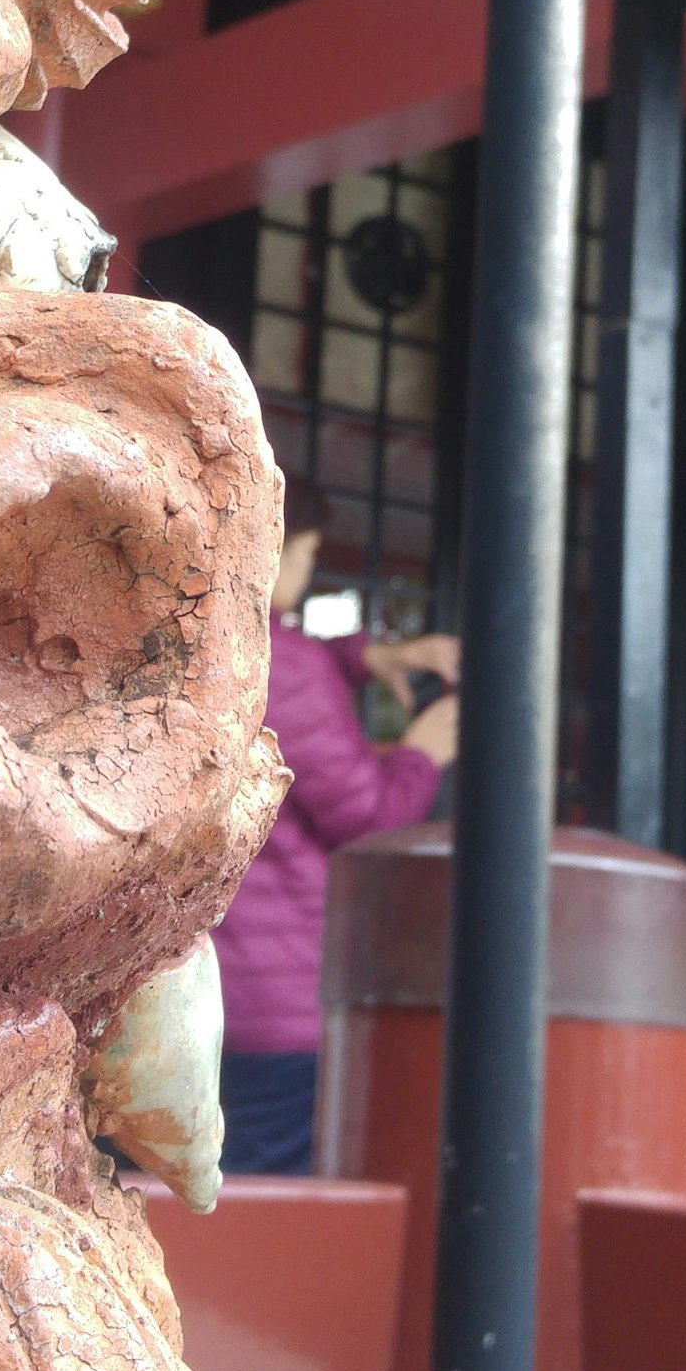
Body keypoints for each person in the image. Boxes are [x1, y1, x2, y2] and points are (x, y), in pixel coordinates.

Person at [210, 480, 460, 1177]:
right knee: (272, 1209)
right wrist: (421, 755)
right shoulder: (286, 665)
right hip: (280, 1001)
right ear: (272, 549)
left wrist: (365, 657)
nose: (307, 570)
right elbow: (366, 820)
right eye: (307, 552)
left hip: (195, 984)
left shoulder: (194, 638)